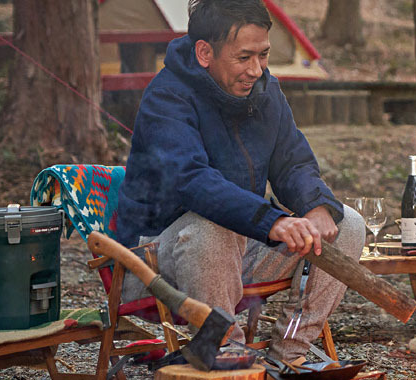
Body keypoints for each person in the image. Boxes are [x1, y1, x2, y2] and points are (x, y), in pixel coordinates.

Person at [113, 0, 364, 362]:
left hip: (237, 246)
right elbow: (194, 182)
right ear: (204, 52)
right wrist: (272, 220)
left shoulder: (266, 91)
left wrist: (316, 206)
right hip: (153, 262)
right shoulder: (166, 98)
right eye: (244, 57)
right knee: (212, 227)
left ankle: (290, 352)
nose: (256, 70)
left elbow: (292, 162)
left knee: (348, 224)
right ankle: (222, 347)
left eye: (263, 55)